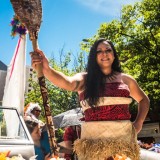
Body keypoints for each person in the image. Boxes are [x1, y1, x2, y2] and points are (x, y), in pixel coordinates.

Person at [31, 38, 150, 160]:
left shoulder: (126, 80)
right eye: (99, 51)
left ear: (114, 55)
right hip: (94, 146)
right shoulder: (85, 79)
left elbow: (144, 100)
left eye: (108, 50)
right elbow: (68, 82)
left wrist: (139, 123)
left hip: (124, 143)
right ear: (94, 57)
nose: (104, 54)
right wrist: (47, 69)